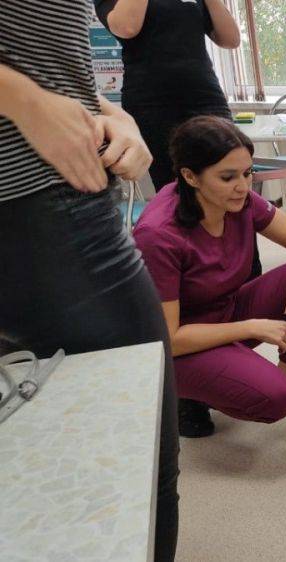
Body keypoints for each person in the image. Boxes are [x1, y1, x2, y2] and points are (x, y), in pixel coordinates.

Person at [0, 2, 176, 559]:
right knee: (136, 476)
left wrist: (107, 112)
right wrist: (22, 100)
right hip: (40, 208)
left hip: (50, 203)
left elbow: (42, 59)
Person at [133, 116, 286, 438]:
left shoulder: (238, 199)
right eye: (228, 177)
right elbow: (170, 338)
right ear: (190, 176)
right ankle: (188, 395)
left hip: (225, 310)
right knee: (274, 399)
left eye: (248, 173)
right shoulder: (158, 235)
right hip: (181, 345)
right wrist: (250, 327)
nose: (244, 186)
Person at [95, 0, 240, 191]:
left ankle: (235, 222)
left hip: (206, 95)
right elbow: (127, 27)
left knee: (231, 171)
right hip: (154, 102)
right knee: (176, 189)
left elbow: (231, 39)